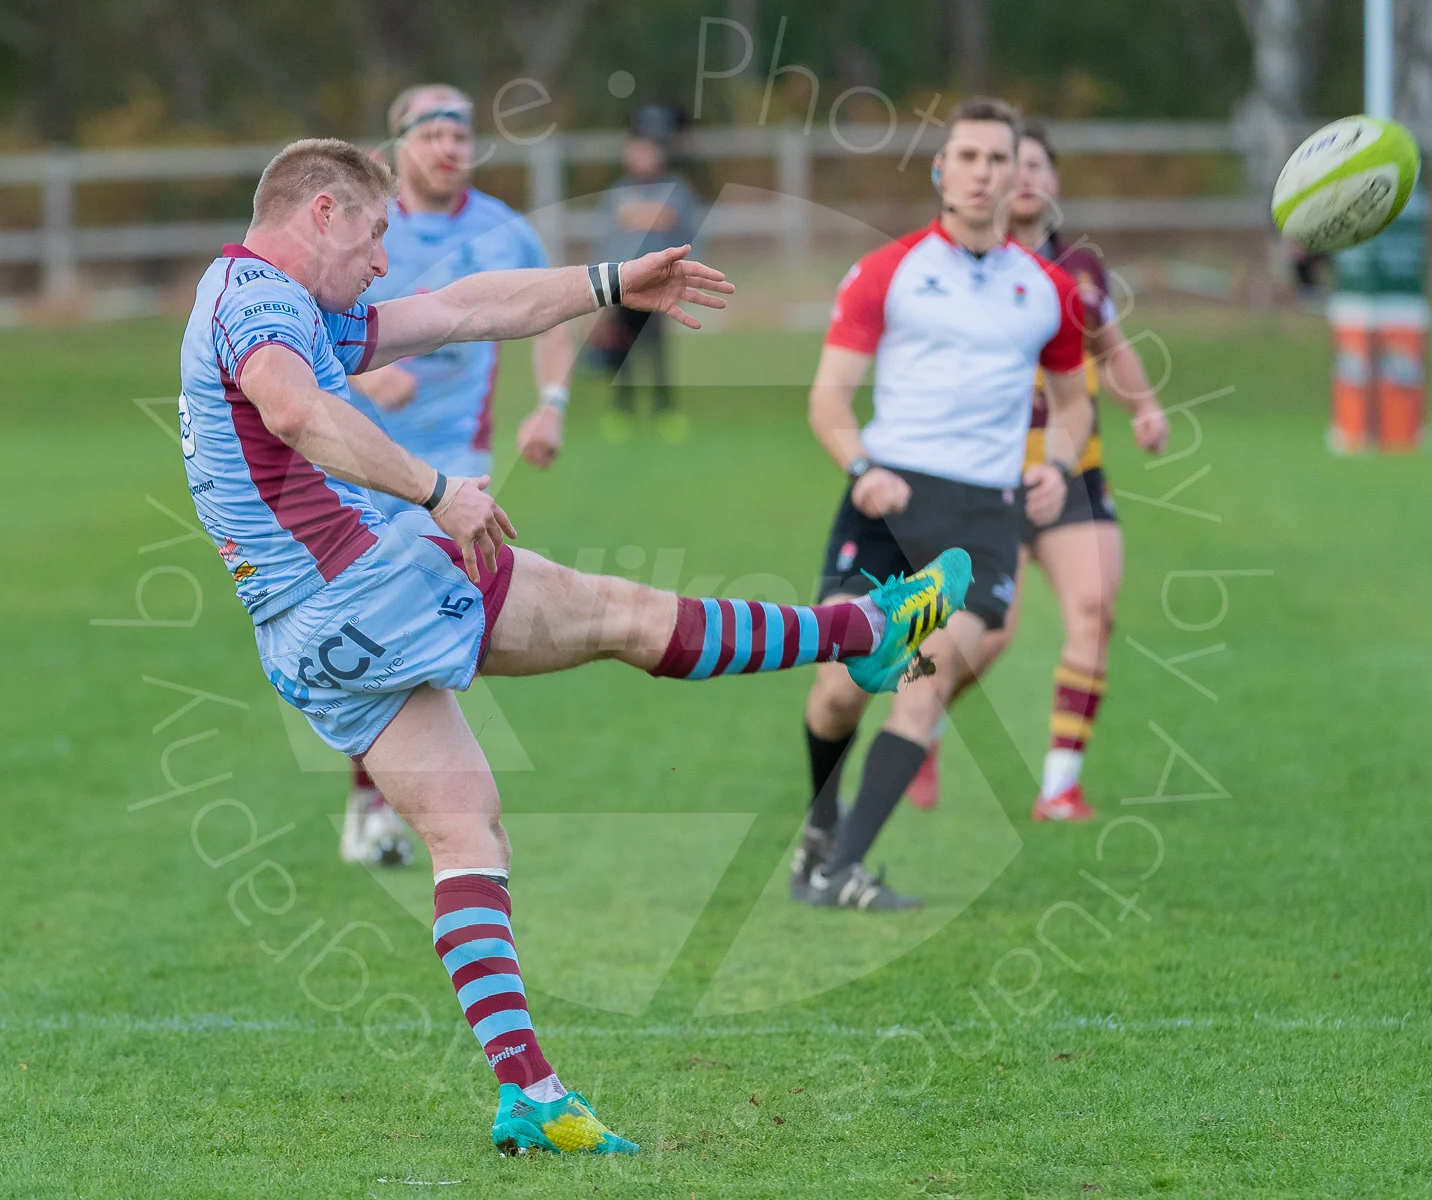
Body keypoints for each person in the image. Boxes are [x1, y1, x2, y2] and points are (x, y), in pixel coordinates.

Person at [178, 137, 968, 1153]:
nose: (384, 261)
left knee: (467, 833)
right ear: (322, 212)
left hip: (301, 641)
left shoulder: (276, 302)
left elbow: (466, 309)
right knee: (621, 616)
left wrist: (611, 282)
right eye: (376, 235)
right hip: (368, 583)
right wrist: (434, 490)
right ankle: (859, 630)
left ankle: (531, 1097)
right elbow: (293, 410)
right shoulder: (260, 299)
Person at [787, 97, 1092, 911]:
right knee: (841, 688)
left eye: (1000, 158)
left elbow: (1075, 407)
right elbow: (828, 400)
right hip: (887, 499)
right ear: (940, 169)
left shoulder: (1050, 290)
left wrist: (1058, 467)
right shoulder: (888, 272)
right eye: (969, 157)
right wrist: (861, 469)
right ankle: (820, 829)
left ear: (1020, 175)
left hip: (984, 520)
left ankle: (841, 868)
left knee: (925, 682)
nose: (985, 172)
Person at [336, 83, 576, 868]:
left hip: (458, 466)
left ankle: (392, 803)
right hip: (356, 457)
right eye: (431, 133)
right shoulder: (365, 230)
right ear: (397, 146)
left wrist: (551, 402)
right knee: (380, 622)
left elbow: (548, 315)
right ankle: (378, 804)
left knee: (436, 617)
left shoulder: (505, 232)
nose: (448, 146)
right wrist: (367, 380)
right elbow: (310, 322)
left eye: (459, 134)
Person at [903, 120, 1171, 822]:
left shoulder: (1079, 271)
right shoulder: (961, 268)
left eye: (1037, 166)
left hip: (1072, 474)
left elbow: (1111, 347)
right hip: (984, 481)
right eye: (1009, 163)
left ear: (1053, 182)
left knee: (1095, 611)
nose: (1023, 177)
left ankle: (1059, 785)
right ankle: (920, 727)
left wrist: (1144, 406)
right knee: (989, 634)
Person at [589, 104, 700, 444]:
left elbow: (689, 232)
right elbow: (607, 240)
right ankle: (622, 409)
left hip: (661, 285)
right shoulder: (618, 193)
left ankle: (664, 408)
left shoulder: (677, 190)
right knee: (622, 350)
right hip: (623, 286)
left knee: (657, 349)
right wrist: (601, 288)